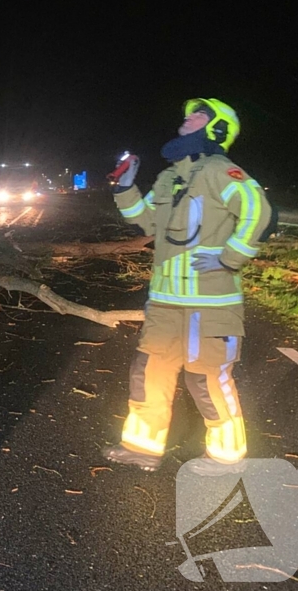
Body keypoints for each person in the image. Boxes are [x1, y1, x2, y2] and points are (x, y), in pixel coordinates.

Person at [104, 98, 274, 475]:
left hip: (211, 305)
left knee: (207, 380)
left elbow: (259, 211)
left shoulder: (220, 170)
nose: (188, 117)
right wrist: (126, 188)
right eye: (189, 113)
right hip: (165, 303)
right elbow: (146, 221)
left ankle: (226, 458)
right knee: (147, 372)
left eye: (199, 115)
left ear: (216, 130)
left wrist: (229, 258)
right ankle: (143, 447)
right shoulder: (169, 177)